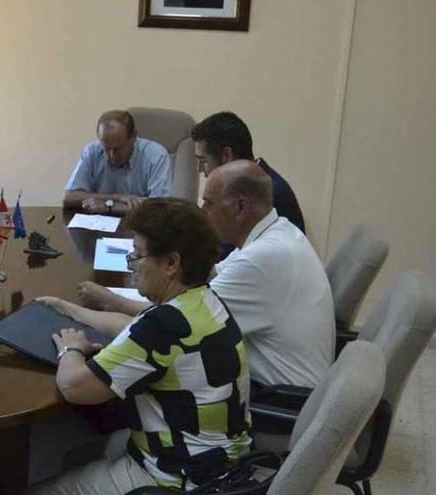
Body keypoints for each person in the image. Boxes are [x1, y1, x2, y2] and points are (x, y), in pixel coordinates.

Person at [30, 199, 250, 494]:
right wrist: (70, 309)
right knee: (74, 457)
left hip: (177, 478)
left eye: (136, 254)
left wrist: (70, 349)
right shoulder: (200, 301)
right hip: (220, 462)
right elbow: (129, 326)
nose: (130, 263)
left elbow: (75, 387)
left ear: (171, 263)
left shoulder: (163, 327)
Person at [78, 161, 334, 390]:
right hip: (283, 387)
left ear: (241, 207)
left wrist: (110, 300)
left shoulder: (261, 259)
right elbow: (210, 276)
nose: (203, 212)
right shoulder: (276, 233)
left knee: (141, 376)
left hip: (274, 401)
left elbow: (178, 317)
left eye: (208, 203)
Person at [191, 111, 305, 234]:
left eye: (204, 161)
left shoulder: (266, 193)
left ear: (226, 155)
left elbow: (227, 248)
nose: (200, 169)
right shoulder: (251, 183)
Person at [63, 110, 172, 215]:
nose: (111, 155)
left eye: (117, 149)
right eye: (106, 148)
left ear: (133, 137)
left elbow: (160, 208)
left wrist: (109, 206)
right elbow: (69, 198)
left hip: (140, 227)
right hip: (98, 225)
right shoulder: (92, 151)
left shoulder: (156, 156)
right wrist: (117, 197)